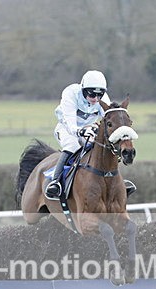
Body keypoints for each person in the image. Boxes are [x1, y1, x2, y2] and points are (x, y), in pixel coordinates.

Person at [45, 70, 112, 200]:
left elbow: (108, 118)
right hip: (66, 128)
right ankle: (56, 182)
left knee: (102, 148)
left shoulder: (102, 98)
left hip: (88, 128)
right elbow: (70, 123)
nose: (96, 99)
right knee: (73, 145)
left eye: (100, 95)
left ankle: (114, 180)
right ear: (83, 89)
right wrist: (80, 131)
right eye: (92, 94)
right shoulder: (71, 93)